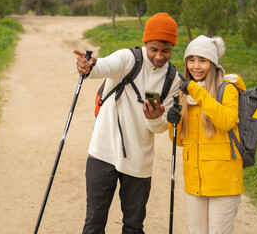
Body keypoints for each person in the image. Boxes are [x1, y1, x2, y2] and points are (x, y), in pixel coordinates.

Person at [73, 13, 181, 234]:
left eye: (166, 50)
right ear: (145, 43)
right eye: (154, 49)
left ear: (172, 47)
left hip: (139, 161)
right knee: (94, 223)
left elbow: (161, 127)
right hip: (103, 153)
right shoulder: (128, 58)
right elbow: (103, 66)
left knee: (133, 227)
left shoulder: (173, 79)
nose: (160, 56)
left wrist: (154, 119)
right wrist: (90, 66)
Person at [167, 35, 246, 234]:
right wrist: (172, 121)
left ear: (212, 63)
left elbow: (227, 121)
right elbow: (179, 141)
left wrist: (196, 92)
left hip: (224, 183)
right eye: (191, 60)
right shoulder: (184, 92)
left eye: (202, 60)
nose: (196, 66)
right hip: (195, 181)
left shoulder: (227, 89)